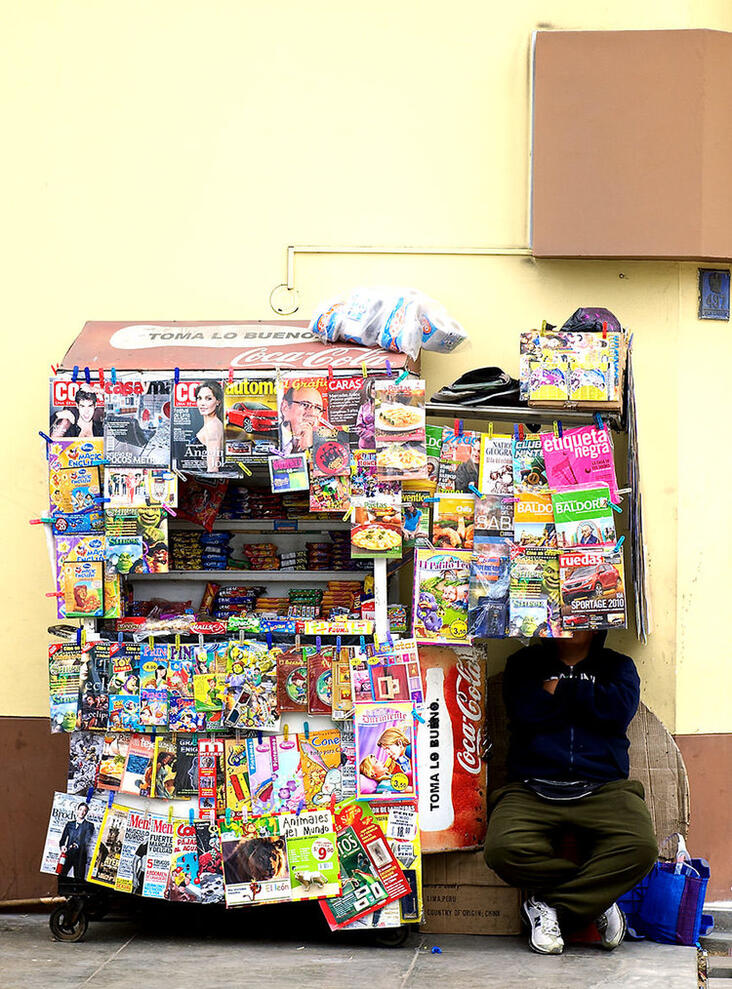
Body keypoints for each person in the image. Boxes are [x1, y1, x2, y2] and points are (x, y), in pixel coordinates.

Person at [483, 630, 657, 955]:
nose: (573, 624)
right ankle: (597, 900)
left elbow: (617, 712)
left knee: (641, 848)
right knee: (502, 849)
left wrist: (560, 690)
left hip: (604, 786)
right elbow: (526, 712)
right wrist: (589, 700)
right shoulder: (523, 664)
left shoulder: (618, 666)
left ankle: (549, 905)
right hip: (532, 786)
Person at [279, 384, 325, 454]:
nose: (312, 413)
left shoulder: (325, 443)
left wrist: (309, 447)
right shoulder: (266, 436)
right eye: (304, 404)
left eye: (318, 408)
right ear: (285, 407)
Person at [58, 801, 95, 878]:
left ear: (86, 813)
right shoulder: (69, 824)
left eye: (84, 811)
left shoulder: (89, 825)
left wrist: (76, 844)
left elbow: (87, 839)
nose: (82, 812)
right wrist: (62, 846)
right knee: (61, 876)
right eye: (81, 809)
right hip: (68, 855)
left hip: (80, 856)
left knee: (79, 880)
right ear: (77, 810)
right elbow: (63, 839)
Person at [194, 381, 224, 472]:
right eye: (199, 398)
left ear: (218, 401)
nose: (202, 403)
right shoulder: (212, 424)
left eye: (208, 398)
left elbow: (213, 469)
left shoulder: (213, 427)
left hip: (204, 482)